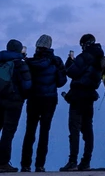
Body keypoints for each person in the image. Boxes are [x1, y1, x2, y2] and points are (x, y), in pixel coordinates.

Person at [21, 34, 67, 172]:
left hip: (34, 99)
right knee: (44, 132)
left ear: (37, 46)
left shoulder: (30, 62)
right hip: (49, 100)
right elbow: (61, 82)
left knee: (30, 132)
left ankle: (25, 165)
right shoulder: (56, 61)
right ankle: (39, 165)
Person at [60, 34, 105, 171]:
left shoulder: (84, 56)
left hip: (78, 96)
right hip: (90, 96)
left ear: (85, 44)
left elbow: (72, 72)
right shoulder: (100, 58)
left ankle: (72, 161)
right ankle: (86, 161)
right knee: (88, 129)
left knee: (74, 129)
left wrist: (69, 63)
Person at [0, 40, 32, 173]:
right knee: (8, 132)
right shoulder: (20, 64)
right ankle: (3, 163)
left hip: (0, 99)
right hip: (14, 102)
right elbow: (27, 85)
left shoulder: (1, 60)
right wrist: (23, 96)